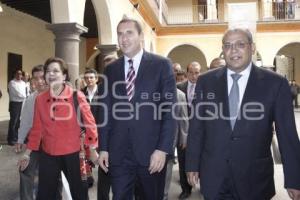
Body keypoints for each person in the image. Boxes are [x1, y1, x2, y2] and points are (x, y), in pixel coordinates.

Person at [186, 28, 300, 200]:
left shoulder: (275, 84)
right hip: (214, 176)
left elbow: (287, 134)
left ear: (252, 48)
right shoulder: (206, 81)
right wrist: (192, 164)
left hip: (254, 179)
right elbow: (197, 127)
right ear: (223, 50)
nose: (233, 51)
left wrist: (294, 179)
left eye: (240, 44)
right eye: (228, 46)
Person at [98, 17, 176, 200]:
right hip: (119, 154)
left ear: (141, 36)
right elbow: (106, 112)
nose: (124, 38)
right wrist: (104, 148)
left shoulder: (161, 65)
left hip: (151, 154)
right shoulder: (111, 70)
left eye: (129, 33)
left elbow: (170, 111)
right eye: (120, 34)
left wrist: (163, 149)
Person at [18, 57, 99, 200]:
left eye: (56, 71)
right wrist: (27, 153)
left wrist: (92, 149)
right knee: (45, 193)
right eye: (48, 71)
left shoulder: (76, 96)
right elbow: (37, 129)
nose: (51, 74)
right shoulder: (40, 99)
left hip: (73, 154)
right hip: (48, 154)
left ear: (64, 76)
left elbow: (90, 124)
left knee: (79, 192)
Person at [14, 65, 48, 200]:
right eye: (36, 78)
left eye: (42, 77)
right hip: (34, 143)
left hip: (53, 144)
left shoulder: (57, 96)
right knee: (25, 169)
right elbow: (26, 122)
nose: (39, 81)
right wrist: (20, 140)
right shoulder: (30, 99)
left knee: (52, 175)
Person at [176, 61, 201, 199]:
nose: (193, 75)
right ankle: (186, 189)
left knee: (202, 160)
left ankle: (203, 185)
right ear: (187, 73)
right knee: (183, 160)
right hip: (183, 132)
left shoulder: (206, 88)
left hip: (201, 132)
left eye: (197, 72)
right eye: (191, 72)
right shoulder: (179, 87)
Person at [7, 70, 27, 145]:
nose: (19, 75)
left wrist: (25, 98)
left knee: (19, 121)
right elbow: (18, 93)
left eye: (21, 74)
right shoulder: (12, 83)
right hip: (15, 104)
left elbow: (25, 92)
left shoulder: (23, 83)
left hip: (22, 103)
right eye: (17, 74)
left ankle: (17, 137)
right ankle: (11, 139)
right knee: (13, 122)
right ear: (14, 74)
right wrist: (25, 97)